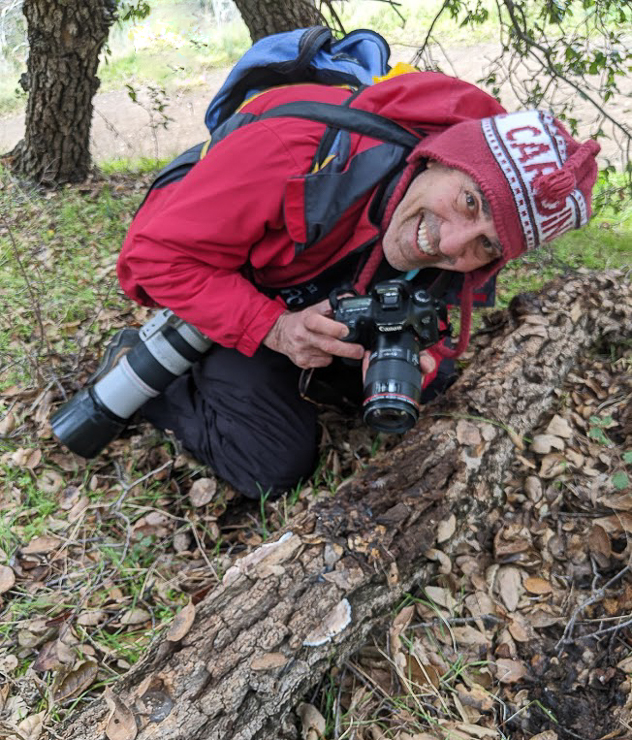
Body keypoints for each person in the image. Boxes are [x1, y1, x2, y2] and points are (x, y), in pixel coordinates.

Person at [114, 69, 600, 499]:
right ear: (441, 157)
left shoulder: (455, 235)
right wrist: (276, 329)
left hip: (319, 289)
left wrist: (412, 353)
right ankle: (153, 376)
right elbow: (150, 259)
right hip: (241, 286)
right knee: (272, 463)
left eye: (488, 245)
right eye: (471, 202)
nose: (450, 246)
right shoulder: (294, 148)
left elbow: (440, 307)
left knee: (431, 390)